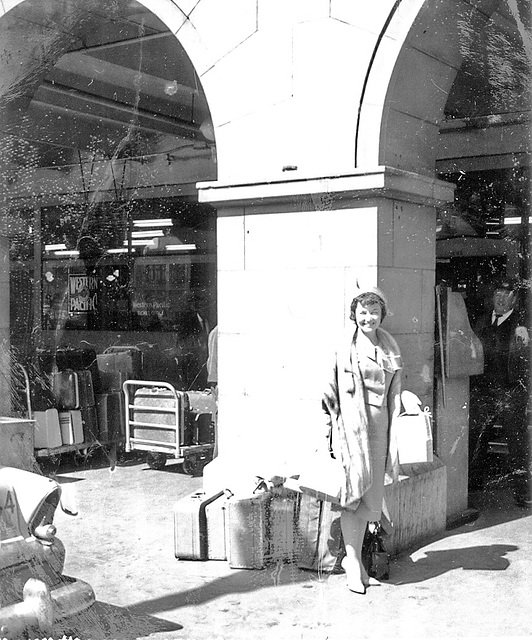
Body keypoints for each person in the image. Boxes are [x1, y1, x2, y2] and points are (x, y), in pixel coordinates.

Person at [322, 288, 402, 594]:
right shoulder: (345, 348)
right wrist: (333, 432)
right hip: (352, 428)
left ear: (382, 316)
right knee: (353, 494)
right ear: (354, 315)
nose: (368, 318)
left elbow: (395, 388)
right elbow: (328, 393)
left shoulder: (390, 346)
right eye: (363, 313)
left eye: (374, 313)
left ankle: (356, 563)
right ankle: (352, 562)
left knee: (370, 495)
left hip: (380, 428)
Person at [469, 278, 530, 507]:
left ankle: (523, 492)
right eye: (498, 293)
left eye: (507, 294)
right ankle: (472, 486)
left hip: (511, 391)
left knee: (516, 442)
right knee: (477, 437)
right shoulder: (482, 322)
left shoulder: (521, 324)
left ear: (514, 298)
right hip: (484, 390)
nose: (501, 298)